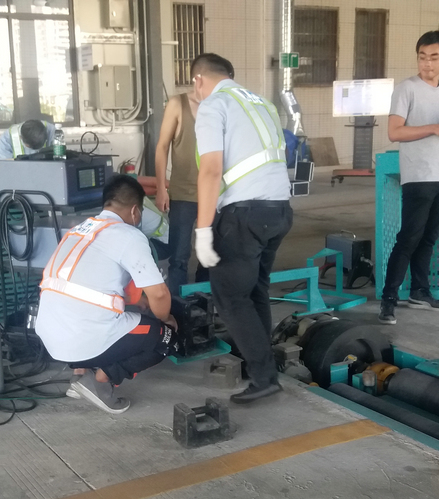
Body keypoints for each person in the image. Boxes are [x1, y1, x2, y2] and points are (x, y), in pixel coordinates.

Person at [192, 53, 293, 404]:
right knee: (255, 292)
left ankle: (264, 376)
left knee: (231, 297)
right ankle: (261, 367)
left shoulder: (213, 105)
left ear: (198, 80)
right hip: (279, 210)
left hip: (244, 215)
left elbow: (210, 170)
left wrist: (203, 230)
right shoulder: (262, 103)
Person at [35, 175, 178, 414]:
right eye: (141, 212)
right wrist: (167, 320)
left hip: (51, 338)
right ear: (135, 211)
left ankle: (79, 374)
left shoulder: (78, 230)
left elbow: (91, 285)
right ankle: (101, 380)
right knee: (166, 337)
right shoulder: (128, 235)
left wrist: (139, 301)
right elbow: (160, 294)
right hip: (83, 339)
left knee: (94, 315)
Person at [380, 31, 439, 325]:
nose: (427, 64)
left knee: (429, 237)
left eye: (434, 58)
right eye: (422, 57)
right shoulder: (406, 89)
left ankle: (419, 291)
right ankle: (389, 299)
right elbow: (395, 132)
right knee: (409, 238)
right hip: (419, 175)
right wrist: (433, 128)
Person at [155, 91, 209, 293]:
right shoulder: (178, 104)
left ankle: (204, 302)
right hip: (183, 194)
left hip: (214, 194)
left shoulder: (220, 103)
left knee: (210, 255)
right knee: (179, 256)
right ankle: (178, 304)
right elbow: (162, 146)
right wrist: (161, 188)